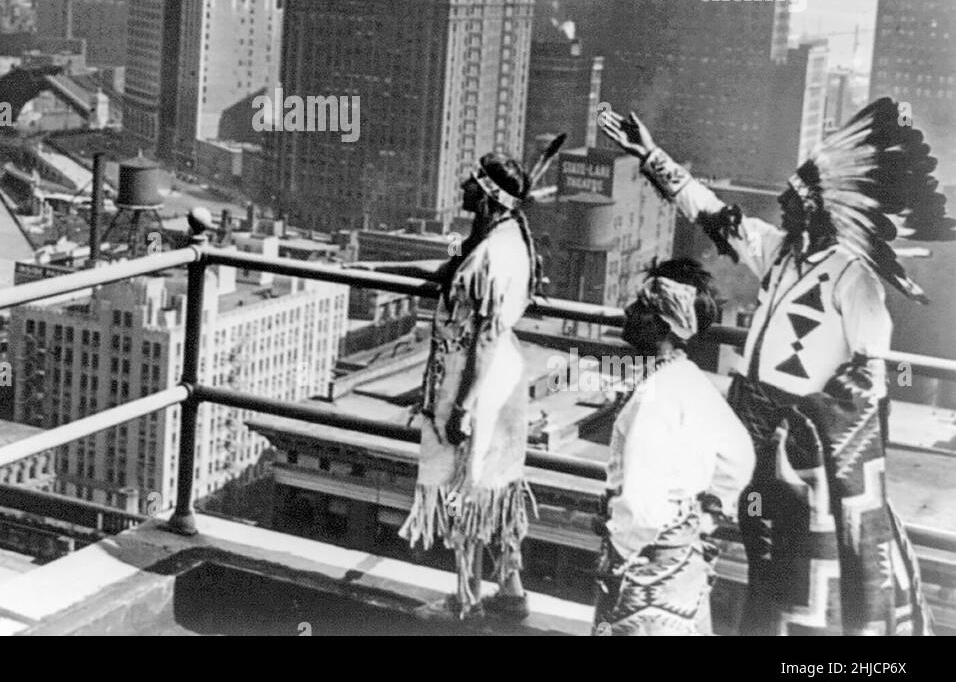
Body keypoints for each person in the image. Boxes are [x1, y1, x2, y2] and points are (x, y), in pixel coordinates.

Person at [599, 98, 951, 635]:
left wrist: (812, 433)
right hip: (751, 431)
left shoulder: (855, 280)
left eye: (797, 198)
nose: (785, 205)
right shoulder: (780, 252)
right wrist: (651, 155)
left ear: (823, 210)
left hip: (805, 452)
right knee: (756, 553)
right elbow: (713, 213)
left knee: (804, 573)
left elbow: (871, 380)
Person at [351, 147, 561, 620]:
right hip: (500, 374)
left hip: (473, 380)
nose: (463, 187)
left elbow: (483, 336)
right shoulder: (507, 240)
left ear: (486, 195)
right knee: (496, 483)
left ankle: (467, 597)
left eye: (472, 181)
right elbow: (454, 281)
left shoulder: (489, 254)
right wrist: (382, 270)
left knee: (464, 486)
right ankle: (510, 586)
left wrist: (463, 408)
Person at [593, 259, 755, 636]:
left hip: (644, 567)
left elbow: (641, 504)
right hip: (683, 560)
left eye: (641, 306)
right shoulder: (689, 379)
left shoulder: (654, 398)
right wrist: (708, 513)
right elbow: (740, 454)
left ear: (662, 324)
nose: (629, 311)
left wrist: (618, 551)